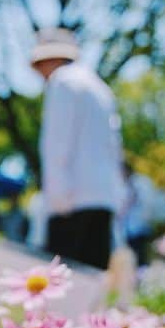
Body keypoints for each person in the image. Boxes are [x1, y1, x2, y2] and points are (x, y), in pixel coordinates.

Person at [32, 29, 124, 270]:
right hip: (103, 197)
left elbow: (57, 143)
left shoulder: (62, 81)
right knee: (93, 280)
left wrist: (56, 200)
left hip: (71, 200)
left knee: (66, 285)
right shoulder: (100, 87)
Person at [121, 161, 165, 266]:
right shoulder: (123, 183)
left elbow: (148, 204)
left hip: (141, 226)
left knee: (141, 253)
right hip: (127, 228)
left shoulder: (142, 182)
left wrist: (146, 221)